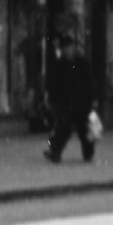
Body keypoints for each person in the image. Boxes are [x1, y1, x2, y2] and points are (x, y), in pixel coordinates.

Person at [44, 31, 100, 163]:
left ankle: (88, 153)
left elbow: (90, 82)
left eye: (69, 47)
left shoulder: (82, 63)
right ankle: (55, 152)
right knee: (62, 129)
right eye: (65, 48)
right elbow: (54, 84)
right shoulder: (59, 65)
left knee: (84, 129)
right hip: (65, 102)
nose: (68, 50)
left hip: (82, 102)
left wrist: (93, 99)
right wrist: (51, 100)